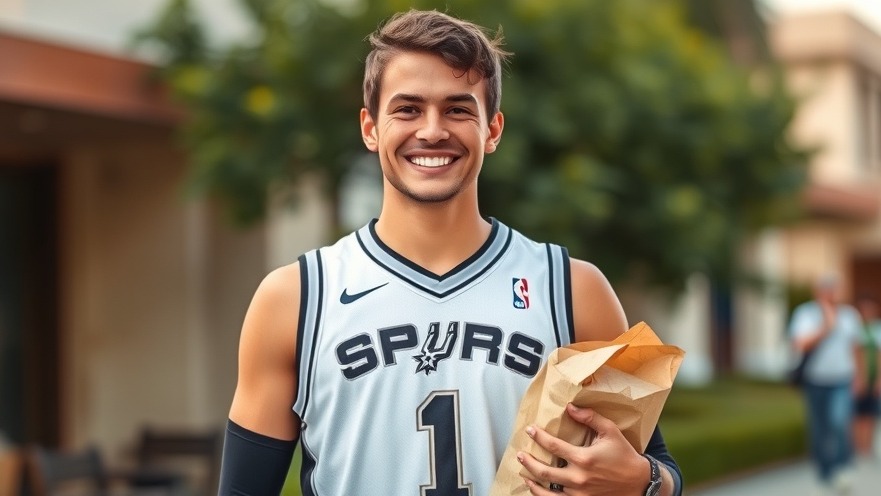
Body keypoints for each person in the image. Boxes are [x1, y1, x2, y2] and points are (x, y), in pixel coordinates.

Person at [218, 9, 683, 496]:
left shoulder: (571, 289)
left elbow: (657, 467)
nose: (432, 130)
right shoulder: (295, 298)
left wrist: (646, 481)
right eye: (407, 109)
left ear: (493, 130)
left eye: (458, 110)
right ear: (370, 127)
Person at [789, 274, 862, 494]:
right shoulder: (805, 314)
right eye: (825, 289)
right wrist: (826, 327)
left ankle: (842, 466)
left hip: (842, 379)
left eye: (833, 289)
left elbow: (855, 348)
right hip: (816, 380)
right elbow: (800, 344)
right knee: (819, 428)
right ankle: (824, 470)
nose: (829, 293)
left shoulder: (850, 315)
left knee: (839, 421)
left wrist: (859, 377)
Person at [853, 292, 881, 459]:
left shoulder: (877, 329)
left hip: (873, 377)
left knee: (871, 413)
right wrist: (859, 377)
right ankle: (858, 447)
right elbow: (855, 353)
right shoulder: (856, 328)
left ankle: (867, 447)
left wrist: (878, 379)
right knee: (858, 414)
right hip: (859, 378)